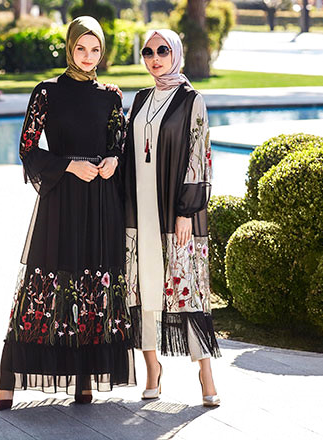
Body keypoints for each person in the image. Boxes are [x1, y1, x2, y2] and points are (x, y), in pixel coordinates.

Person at [0, 16, 135, 410]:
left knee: (92, 284)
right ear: (70, 48)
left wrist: (112, 160)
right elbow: (27, 148)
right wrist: (70, 165)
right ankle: (8, 382)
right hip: (61, 200)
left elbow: (119, 145)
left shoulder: (111, 96)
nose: (88, 56)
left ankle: (84, 378)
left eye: (95, 49)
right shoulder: (47, 92)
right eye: (81, 48)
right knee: (45, 282)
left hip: (100, 204)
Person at [124, 29, 220, 406]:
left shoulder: (191, 100)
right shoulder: (140, 99)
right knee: (143, 288)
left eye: (162, 50)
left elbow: (199, 156)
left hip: (174, 211)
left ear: (175, 53)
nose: (155, 58)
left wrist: (186, 212)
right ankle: (153, 369)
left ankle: (205, 373)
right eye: (148, 52)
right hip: (139, 210)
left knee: (187, 290)